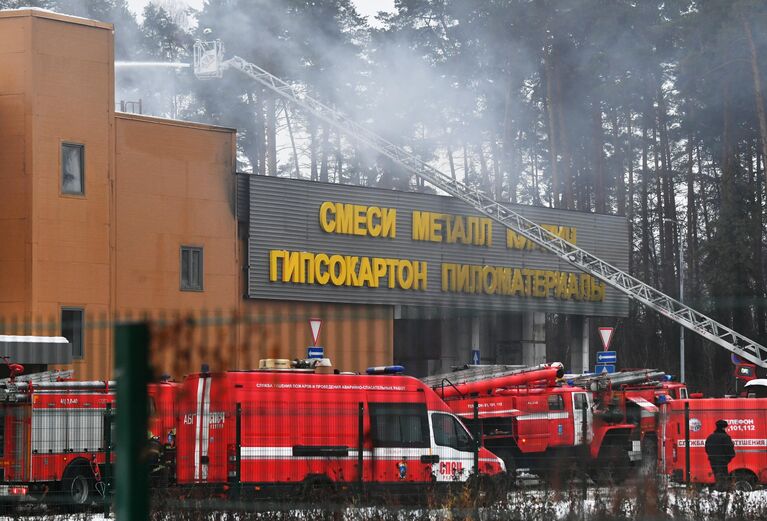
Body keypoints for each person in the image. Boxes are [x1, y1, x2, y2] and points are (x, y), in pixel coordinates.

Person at [704, 419, 736, 490]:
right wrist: (728, 459)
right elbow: (730, 450)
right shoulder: (725, 437)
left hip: (713, 461)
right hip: (722, 462)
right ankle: (722, 493)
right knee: (723, 479)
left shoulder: (710, 437)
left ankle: (718, 493)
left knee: (717, 478)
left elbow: (706, 449)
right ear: (723, 428)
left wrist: (712, 457)